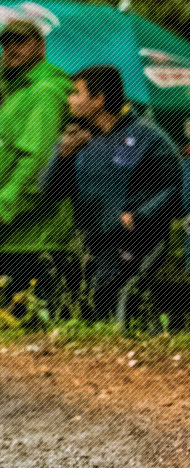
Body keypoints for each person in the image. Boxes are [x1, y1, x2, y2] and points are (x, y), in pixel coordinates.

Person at [38, 65, 182, 324]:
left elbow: (176, 186)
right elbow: (50, 190)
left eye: (76, 93)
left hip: (135, 243)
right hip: (88, 245)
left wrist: (140, 216)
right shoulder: (80, 137)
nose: (69, 100)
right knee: (81, 315)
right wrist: (62, 155)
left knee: (115, 312)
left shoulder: (148, 137)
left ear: (99, 99)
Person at [0, 18, 75, 306]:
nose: (11, 48)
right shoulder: (19, 91)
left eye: (20, 41)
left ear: (40, 46)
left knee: (22, 324)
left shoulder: (45, 92)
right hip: (14, 235)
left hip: (32, 236)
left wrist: (3, 205)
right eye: (6, 43)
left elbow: (38, 158)